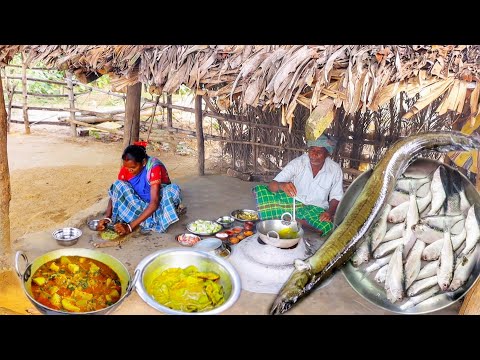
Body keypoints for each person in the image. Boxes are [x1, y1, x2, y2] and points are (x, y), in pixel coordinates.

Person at [253, 134, 343, 236]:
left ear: (327, 154)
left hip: (316, 208)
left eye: (319, 152)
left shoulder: (335, 170)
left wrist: (329, 213)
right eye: (312, 150)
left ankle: (293, 220)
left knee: (327, 227)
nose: (314, 154)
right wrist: (282, 185)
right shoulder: (299, 162)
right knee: (262, 191)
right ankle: (296, 221)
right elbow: (272, 185)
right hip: (294, 201)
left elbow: (336, 196)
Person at [97, 143, 185, 235]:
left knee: (173, 190)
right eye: (126, 167)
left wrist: (130, 227)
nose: (129, 170)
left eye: (133, 168)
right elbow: (115, 193)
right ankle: (145, 220)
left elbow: (154, 202)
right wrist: (107, 217)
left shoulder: (154, 167)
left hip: (158, 205)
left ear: (143, 162)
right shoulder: (126, 169)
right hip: (138, 204)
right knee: (117, 184)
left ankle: (149, 220)